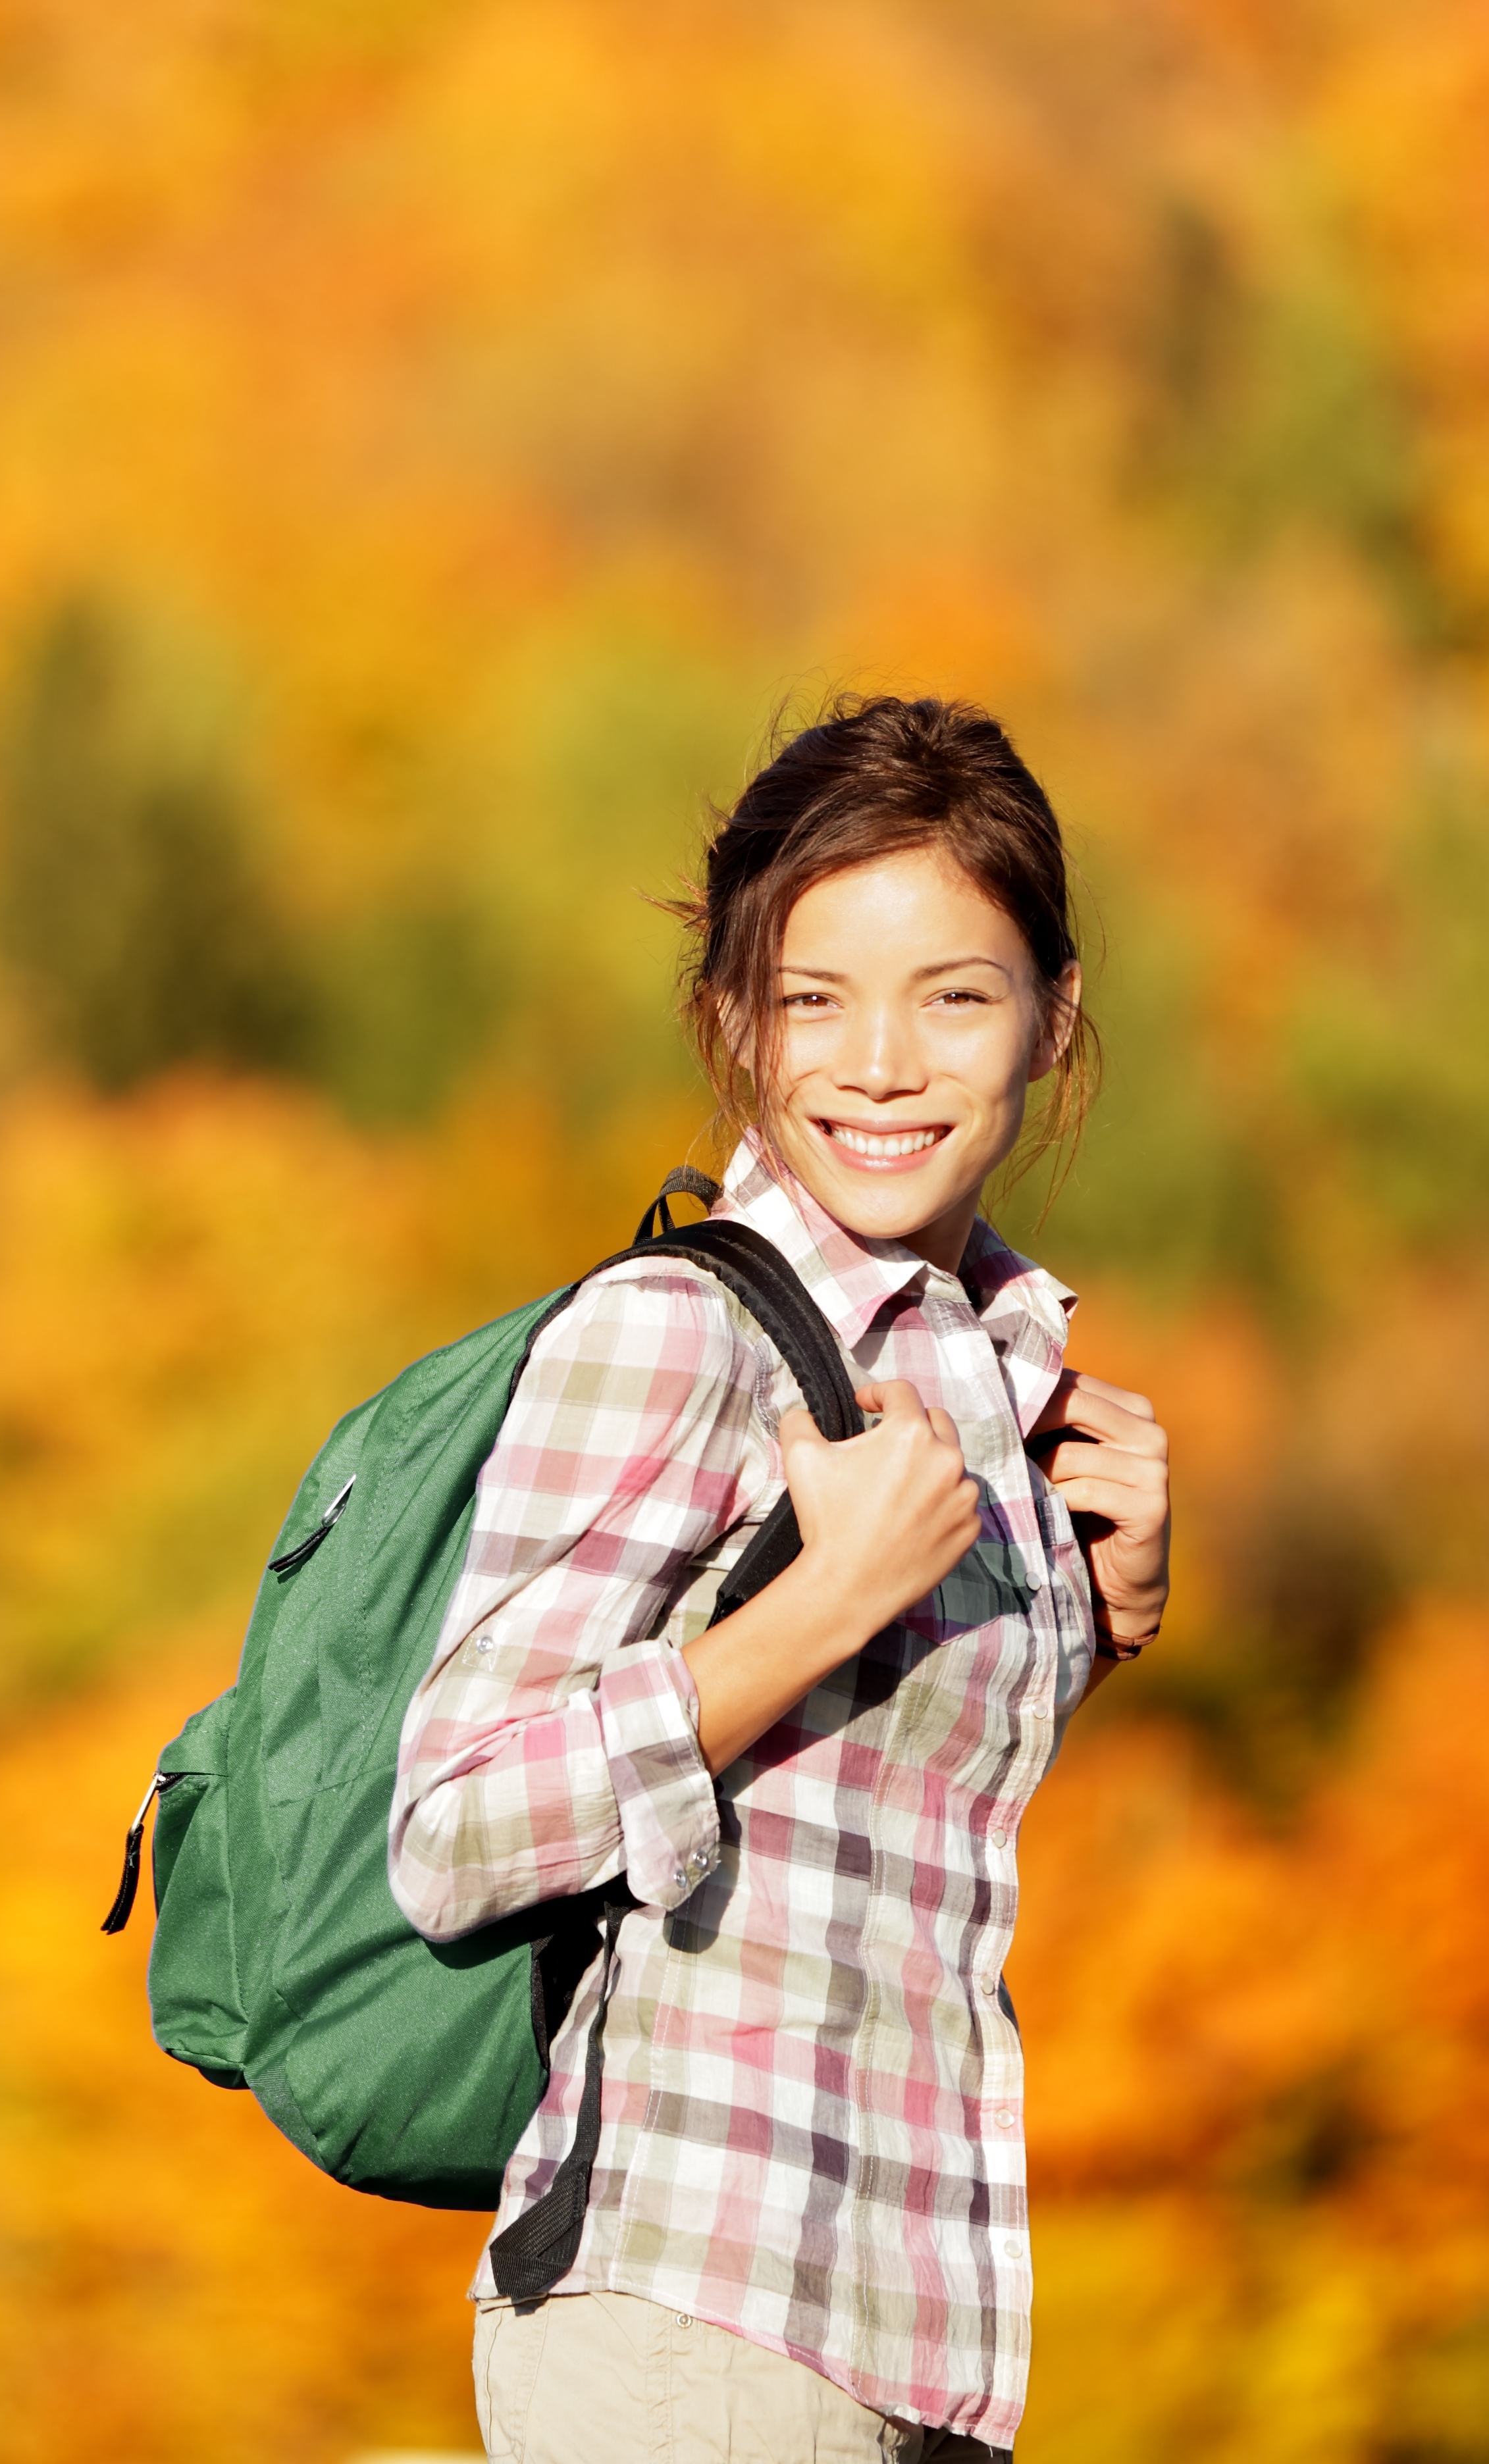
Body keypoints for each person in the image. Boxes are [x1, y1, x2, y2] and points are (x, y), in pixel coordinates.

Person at [388, 696, 1174, 2463]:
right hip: (691, 2327)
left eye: (952, 996)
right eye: (816, 1000)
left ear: (1052, 1013)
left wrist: (1105, 1623)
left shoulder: (991, 1356)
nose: (879, 1065)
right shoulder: (675, 1334)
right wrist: (815, 1607)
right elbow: (451, 1831)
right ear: (737, 1023)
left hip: (917, 2333)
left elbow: (878, 1823)